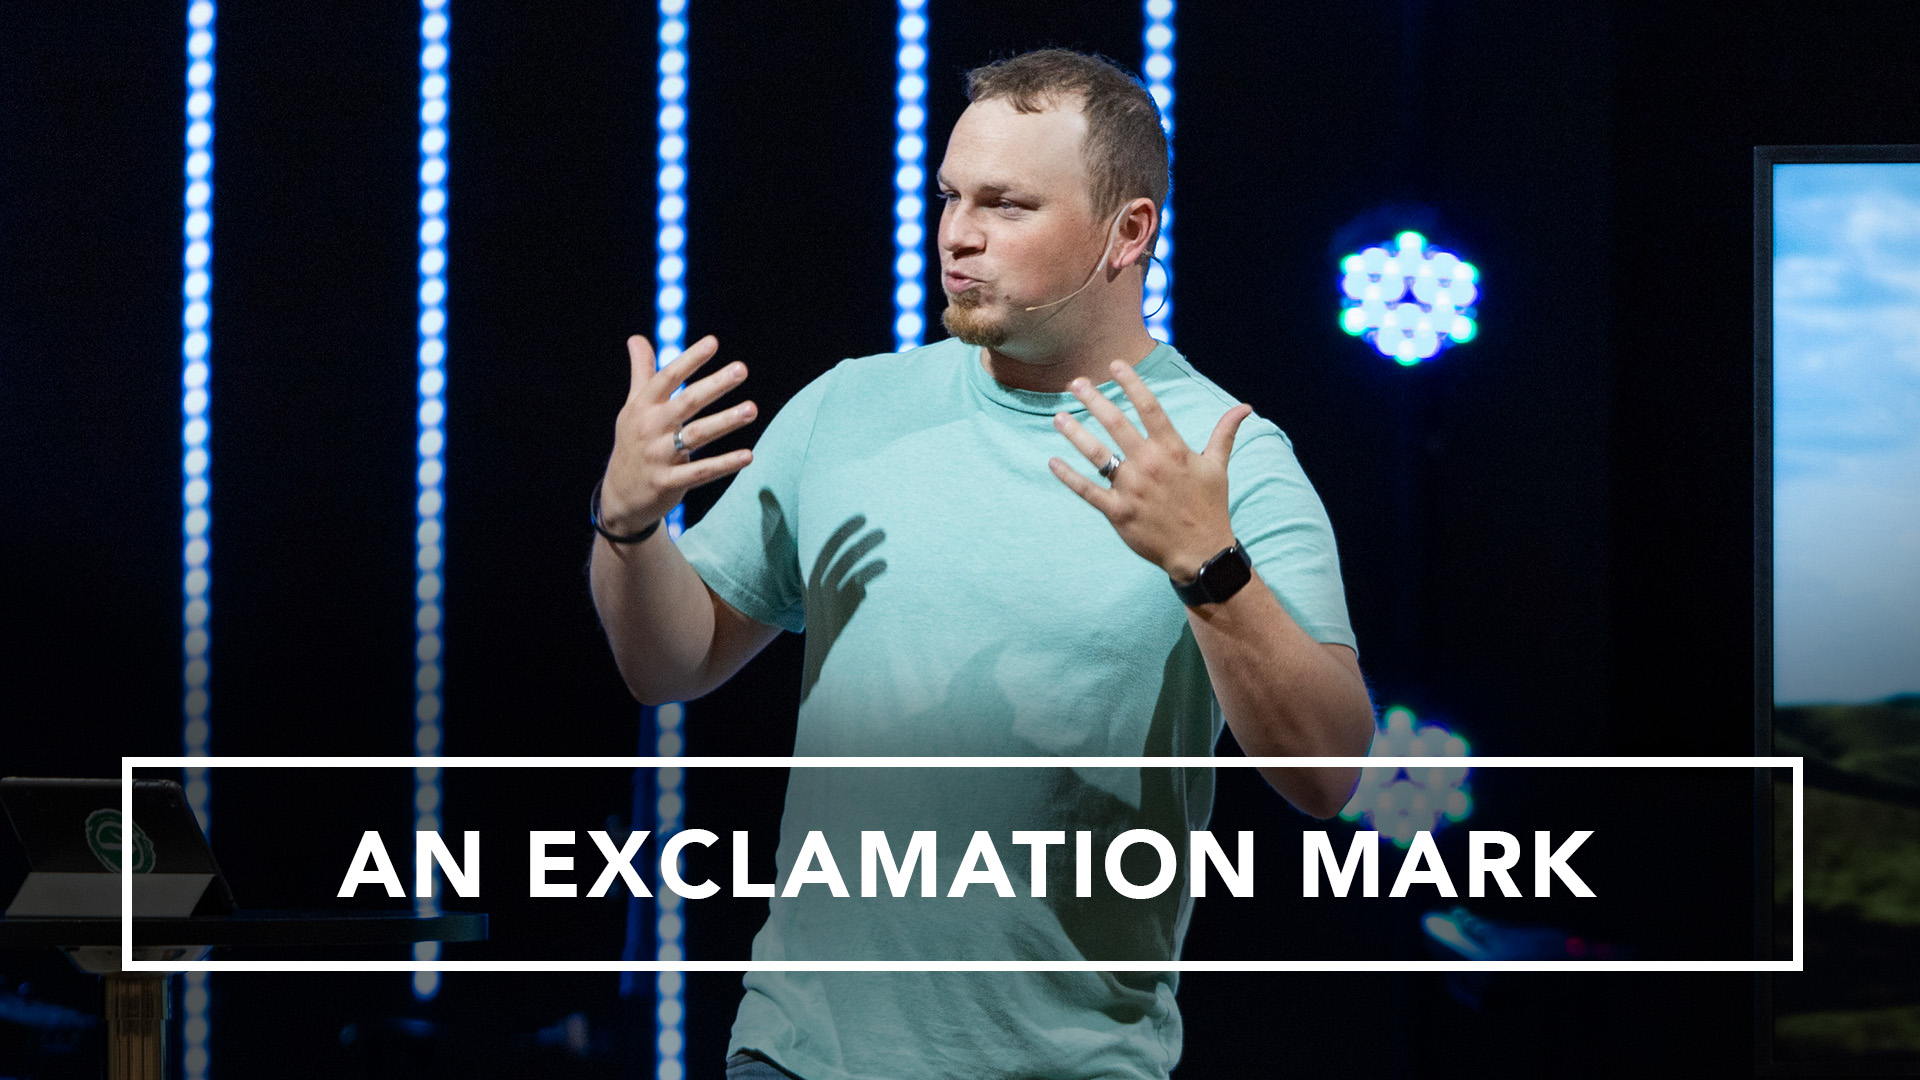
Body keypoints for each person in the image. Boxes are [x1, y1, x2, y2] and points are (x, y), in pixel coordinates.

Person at [590, 48, 1375, 1080]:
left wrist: (1208, 566)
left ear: (1128, 233)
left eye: (1007, 205)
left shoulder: (1226, 458)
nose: (959, 233)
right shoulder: (849, 407)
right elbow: (669, 663)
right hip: (798, 1055)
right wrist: (628, 529)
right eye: (950, 197)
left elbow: (1328, 773)